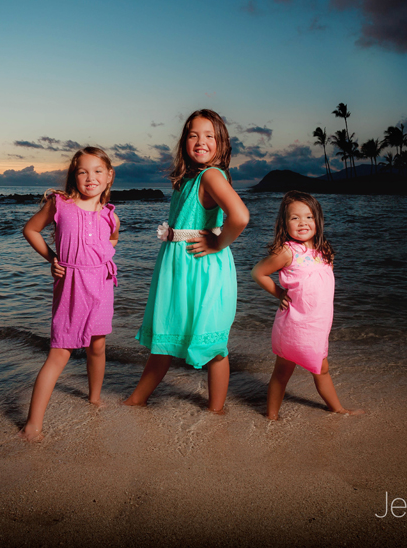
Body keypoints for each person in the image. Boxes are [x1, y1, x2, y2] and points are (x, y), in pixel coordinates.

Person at [124, 109, 249, 412]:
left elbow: (241, 216)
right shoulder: (188, 180)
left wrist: (218, 241)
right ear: (184, 142)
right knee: (167, 336)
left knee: (213, 345)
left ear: (222, 143)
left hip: (202, 268)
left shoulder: (210, 175)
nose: (201, 141)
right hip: (179, 268)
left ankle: (215, 410)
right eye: (193, 135)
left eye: (209, 135)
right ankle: (136, 400)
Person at [18, 147, 119, 441]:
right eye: (82, 171)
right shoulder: (60, 204)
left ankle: (95, 399)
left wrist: (103, 258)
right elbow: (31, 230)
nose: (91, 177)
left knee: (98, 345)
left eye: (98, 171)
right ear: (73, 176)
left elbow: (112, 240)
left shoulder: (111, 215)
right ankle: (32, 427)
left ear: (109, 176)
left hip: (101, 284)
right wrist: (53, 259)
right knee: (60, 352)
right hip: (71, 285)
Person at [251, 191, 363, 420]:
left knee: (321, 369)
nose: (302, 222)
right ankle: (271, 416)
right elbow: (258, 272)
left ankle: (337, 409)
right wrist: (279, 293)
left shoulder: (325, 252)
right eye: (295, 218)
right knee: (282, 372)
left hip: (317, 326)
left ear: (318, 220)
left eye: (309, 217)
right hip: (293, 325)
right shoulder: (286, 251)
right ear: (284, 223)